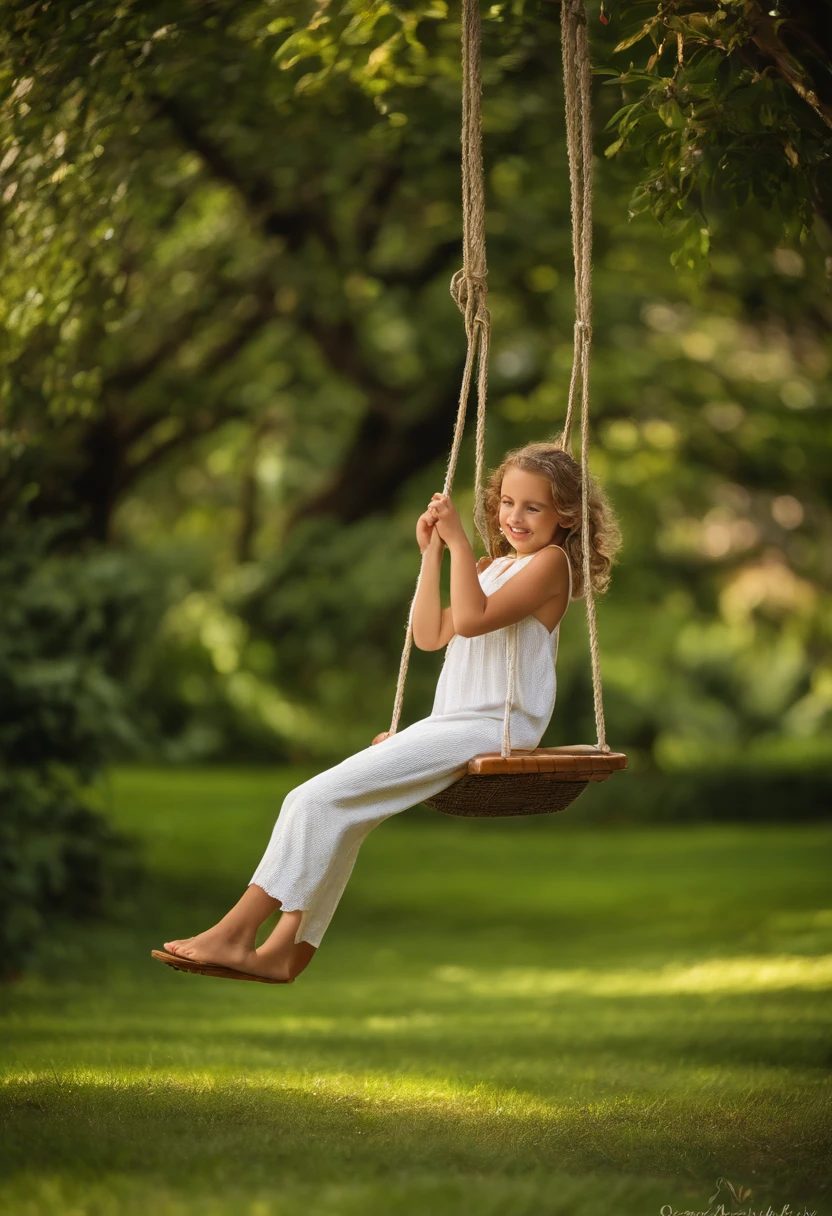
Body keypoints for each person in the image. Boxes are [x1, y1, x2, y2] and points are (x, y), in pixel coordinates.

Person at [154, 439, 621, 984]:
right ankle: (286, 949)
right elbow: (429, 634)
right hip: (454, 722)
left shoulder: (551, 566)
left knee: (309, 798)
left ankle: (235, 934)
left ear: (564, 515)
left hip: (495, 724)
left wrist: (460, 547)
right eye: (507, 503)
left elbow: (470, 622)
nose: (514, 517)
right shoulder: (494, 568)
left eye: (533, 507)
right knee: (343, 814)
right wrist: (432, 555)